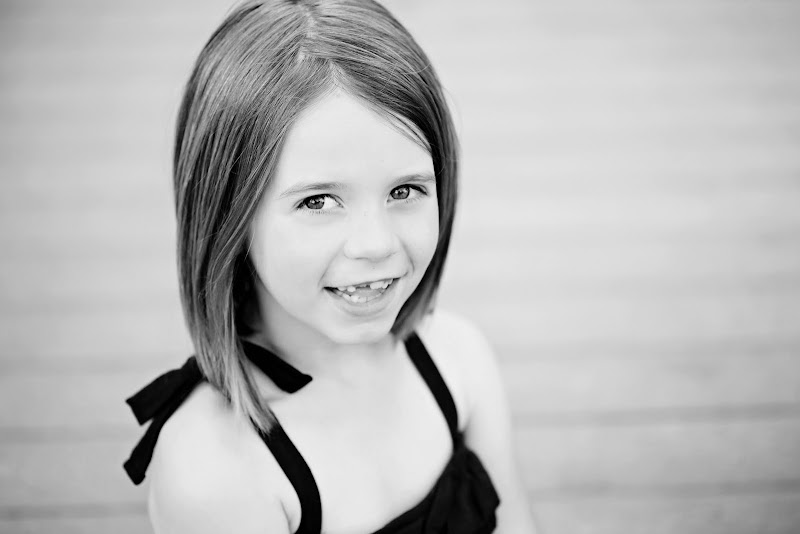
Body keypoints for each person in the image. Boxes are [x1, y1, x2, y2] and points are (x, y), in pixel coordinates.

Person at [123, 0, 537, 532]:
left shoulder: (457, 360)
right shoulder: (215, 468)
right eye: (318, 201)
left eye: (405, 191)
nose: (375, 244)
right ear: (229, 216)